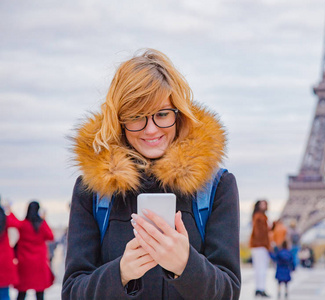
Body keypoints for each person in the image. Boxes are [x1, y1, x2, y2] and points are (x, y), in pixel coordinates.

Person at [62, 49, 241, 300]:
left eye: (162, 114)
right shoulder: (92, 190)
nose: (151, 129)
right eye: (136, 117)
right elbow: (71, 293)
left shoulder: (216, 186)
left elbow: (229, 293)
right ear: (119, 120)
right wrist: (121, 273)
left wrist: (185, 265)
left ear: (178, 113)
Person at [9, 201, 54, 300]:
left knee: (21, 292)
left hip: (25, 262)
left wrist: (10, 210)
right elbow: (50, 236)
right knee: (40, 292)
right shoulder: (41, 224)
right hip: (39, 262)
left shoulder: (23, 225)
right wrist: (44, 218)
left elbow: (12, 221)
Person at [249, 200, 271, 298]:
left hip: (258, 246)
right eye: (262, 204)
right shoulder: (260, 217)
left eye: (265, 204)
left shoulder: (258, 216)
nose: (264, 206)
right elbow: (260, 233)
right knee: (262, 268)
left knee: (259, 268)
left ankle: (259, 289)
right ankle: (260, 289)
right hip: (260, 246)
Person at [0, 204, 19, 300]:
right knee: (4, 293)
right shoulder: (4, 218)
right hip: (4, 259)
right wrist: (10, 211)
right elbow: (18, 224)